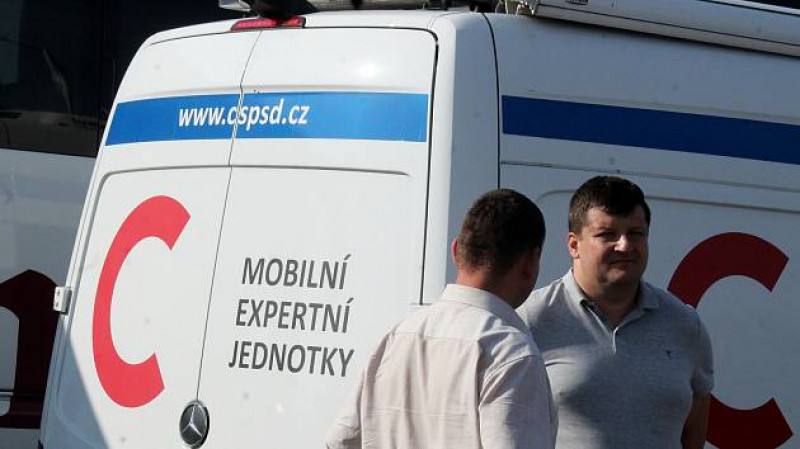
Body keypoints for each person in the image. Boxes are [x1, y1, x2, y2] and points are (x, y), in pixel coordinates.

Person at [326, 189, 557, 449]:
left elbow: (340, 441)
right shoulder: (510, 354)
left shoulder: (396, 337)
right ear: (530, 264)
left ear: (456, 250)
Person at [518, 176, 714, 449]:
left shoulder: (685, 325)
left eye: (636, 233)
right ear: (574, 245)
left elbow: (694, 432)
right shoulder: (529, 321)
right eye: (607, 234)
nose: (625, 245)